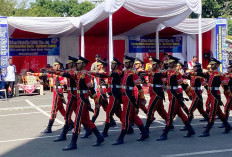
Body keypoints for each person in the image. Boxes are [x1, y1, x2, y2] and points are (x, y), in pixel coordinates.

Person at [62, 56, 104, 151]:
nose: (77, 64)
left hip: (83, 99)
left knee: (77, 121)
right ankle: (99, 137)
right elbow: (67, 75)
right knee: (86, 121)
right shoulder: (78, 73)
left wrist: (96, 102)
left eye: (79, 63)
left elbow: (92, 90)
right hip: (79, 99)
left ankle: (73, 143)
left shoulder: (85, 75)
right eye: (77, 63)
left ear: (84, 64)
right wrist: (52, 72)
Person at [112, 55, 149, 145]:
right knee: (133, 116)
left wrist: (142, 98)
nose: (125, 63)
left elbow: (138, 87)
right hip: (124, 97)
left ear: (131, 63)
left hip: (129, 98)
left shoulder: (133, 73)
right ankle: (144, 133)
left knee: (125, 117)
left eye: (127, 62)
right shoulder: (124, 72)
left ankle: (121, 138)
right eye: (125, 62)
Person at [156, 56, 195, 141]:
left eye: (170, 62)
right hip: (170, 94)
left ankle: (165, 133)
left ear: (174, 63)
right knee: (180, 113)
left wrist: (190, 94)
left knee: (170, 114)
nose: (168, 64)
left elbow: (183, 84)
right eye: (168, 62)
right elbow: (159, 74)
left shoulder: (176, 73)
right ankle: (190, 129)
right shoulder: (168, 71)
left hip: (175, 95)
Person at [199, 58, 232, 137]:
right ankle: (227, 126)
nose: (211, 65)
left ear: (217, 65)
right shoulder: (210, 73)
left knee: (212, 112)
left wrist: (229, 94)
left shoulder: (219, 74)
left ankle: (207, 131)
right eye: (211, 64)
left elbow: (225, 86)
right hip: (211, 94)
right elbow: (201, 74)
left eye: (213, 64)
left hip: (215, 95)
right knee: (219, 113)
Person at [33, 60, 66, 133]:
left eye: (55, 65)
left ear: (59, 66)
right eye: (54, 65)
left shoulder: (61, 74)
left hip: (58, 93)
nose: (54, 67)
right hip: (56, 92)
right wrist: (33, 74)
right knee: (61, 110)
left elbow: (63, 83)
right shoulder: (54, 74)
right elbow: (43, 74)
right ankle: (70, 123)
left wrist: (61, 93)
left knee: (54, 109)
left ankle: (49, 127)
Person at [53, 56, 78, 142]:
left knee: (67, 115)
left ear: (73, 64)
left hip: (73, 96)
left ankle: (63, 134)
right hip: (71, 95)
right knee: (84, 118)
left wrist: (55, 72)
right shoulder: (71, 71)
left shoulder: (74, 72)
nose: (68, 64)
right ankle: (95, 134)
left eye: (70, 63)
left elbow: (65, 74)